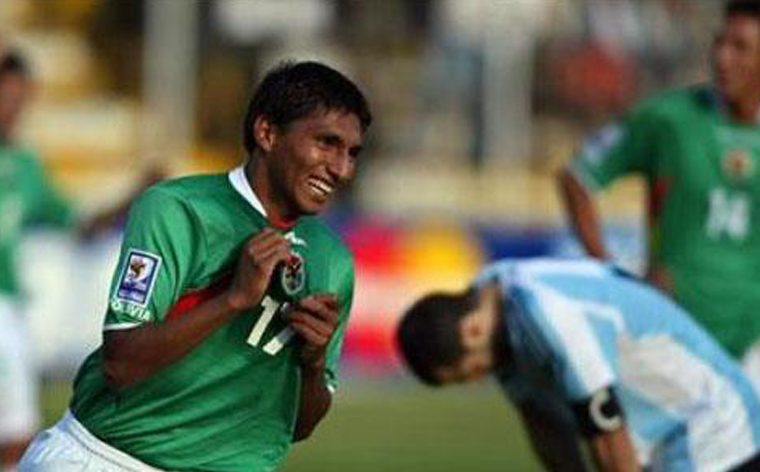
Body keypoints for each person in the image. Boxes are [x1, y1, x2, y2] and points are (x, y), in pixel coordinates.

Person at [18, 60, 372, 471]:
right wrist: (233, 299)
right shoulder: (178, 209)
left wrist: (313, 361)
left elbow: (298, 426)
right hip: (109, 459)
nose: (341, 169)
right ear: (267, 132)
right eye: (327, 143)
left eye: (352, 153)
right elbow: (121, 363)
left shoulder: (333, 261)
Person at [397, 257, 760, 472]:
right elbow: (545, 428)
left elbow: (608, 437)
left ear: (472, 330)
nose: (479, 379)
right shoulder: (491, 305)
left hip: (712, 426)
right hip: (666, 441)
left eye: (469, 373)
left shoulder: (549, 314)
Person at [557, 0, 760, 375]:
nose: (723, 58)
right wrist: (608, 271)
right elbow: (577, 175)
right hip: (674, 331)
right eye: (719, 42)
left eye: (740, 47)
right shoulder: (669, 119)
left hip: (753, 337)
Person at [0, 50, 160, 471]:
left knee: (15, 438)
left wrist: (136, 195)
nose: (13, 109)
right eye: (5, 97)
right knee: (15, 435)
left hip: (7, 309)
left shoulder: (24, 166)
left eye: (20, 99)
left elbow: (82, 225)